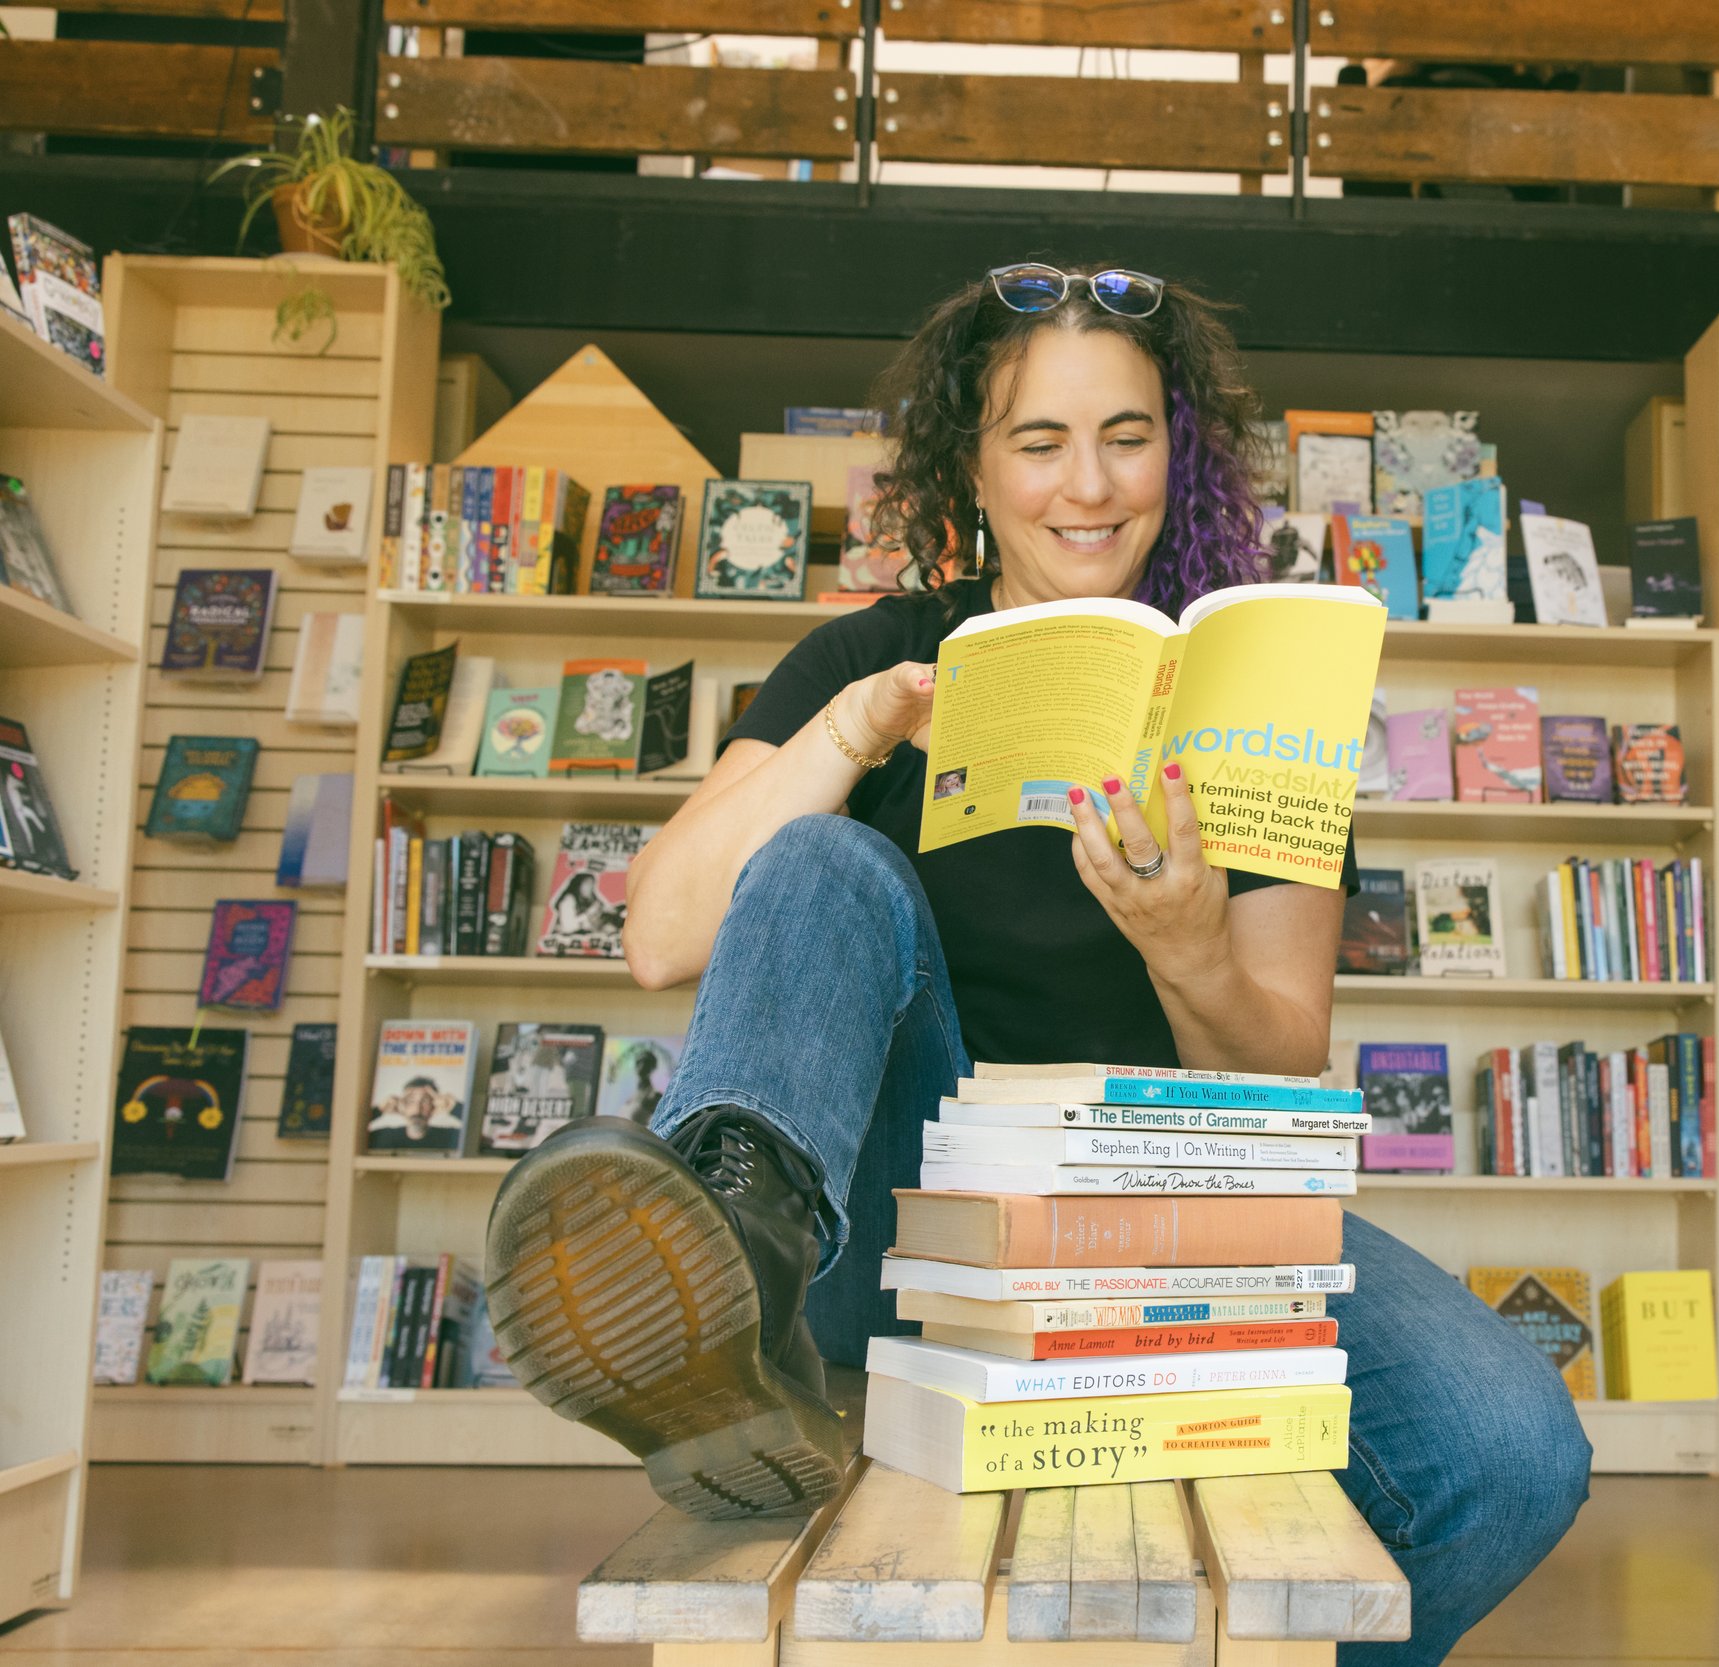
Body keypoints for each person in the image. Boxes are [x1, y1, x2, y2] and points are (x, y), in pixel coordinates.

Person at [481, 260, 1590, 1665]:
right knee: (828, 862)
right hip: (891, 1225)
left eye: (1128, 437)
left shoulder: (1255, 700)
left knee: (1511, 1450)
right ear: (977, 466)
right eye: (1040, 440)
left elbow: (1282, 1065)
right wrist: (853, 735)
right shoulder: (870, 656)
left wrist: (1186, 948)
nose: (1089, 485)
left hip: (1158, 1210)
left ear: (1176, 458)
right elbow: (658, 938)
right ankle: (733, 1303)